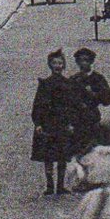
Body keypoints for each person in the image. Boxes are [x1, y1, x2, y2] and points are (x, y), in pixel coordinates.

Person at [31, 50, 79, 195]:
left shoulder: (68, 84)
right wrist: (38, 123)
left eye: (60, 63)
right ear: (50, 65)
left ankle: (61, 185)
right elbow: (38, 105)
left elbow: (72, 106)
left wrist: (71, 123)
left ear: (63, 65)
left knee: (62, 156)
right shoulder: (45, 84)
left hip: (62, 123)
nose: (57, 66)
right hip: (47, 124)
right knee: (48, 156)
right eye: (54, 63)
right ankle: (50, 185)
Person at [70, 47, 110, 156]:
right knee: (77, 153)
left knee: (93, 151)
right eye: (80, 60)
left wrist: (94, 94)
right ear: (77, 62)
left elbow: (108, 100)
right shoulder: (73, 79)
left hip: (92, 119)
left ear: (91, 62)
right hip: (76, 120)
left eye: (86, 60)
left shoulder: (98, 79)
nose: (83, 63)